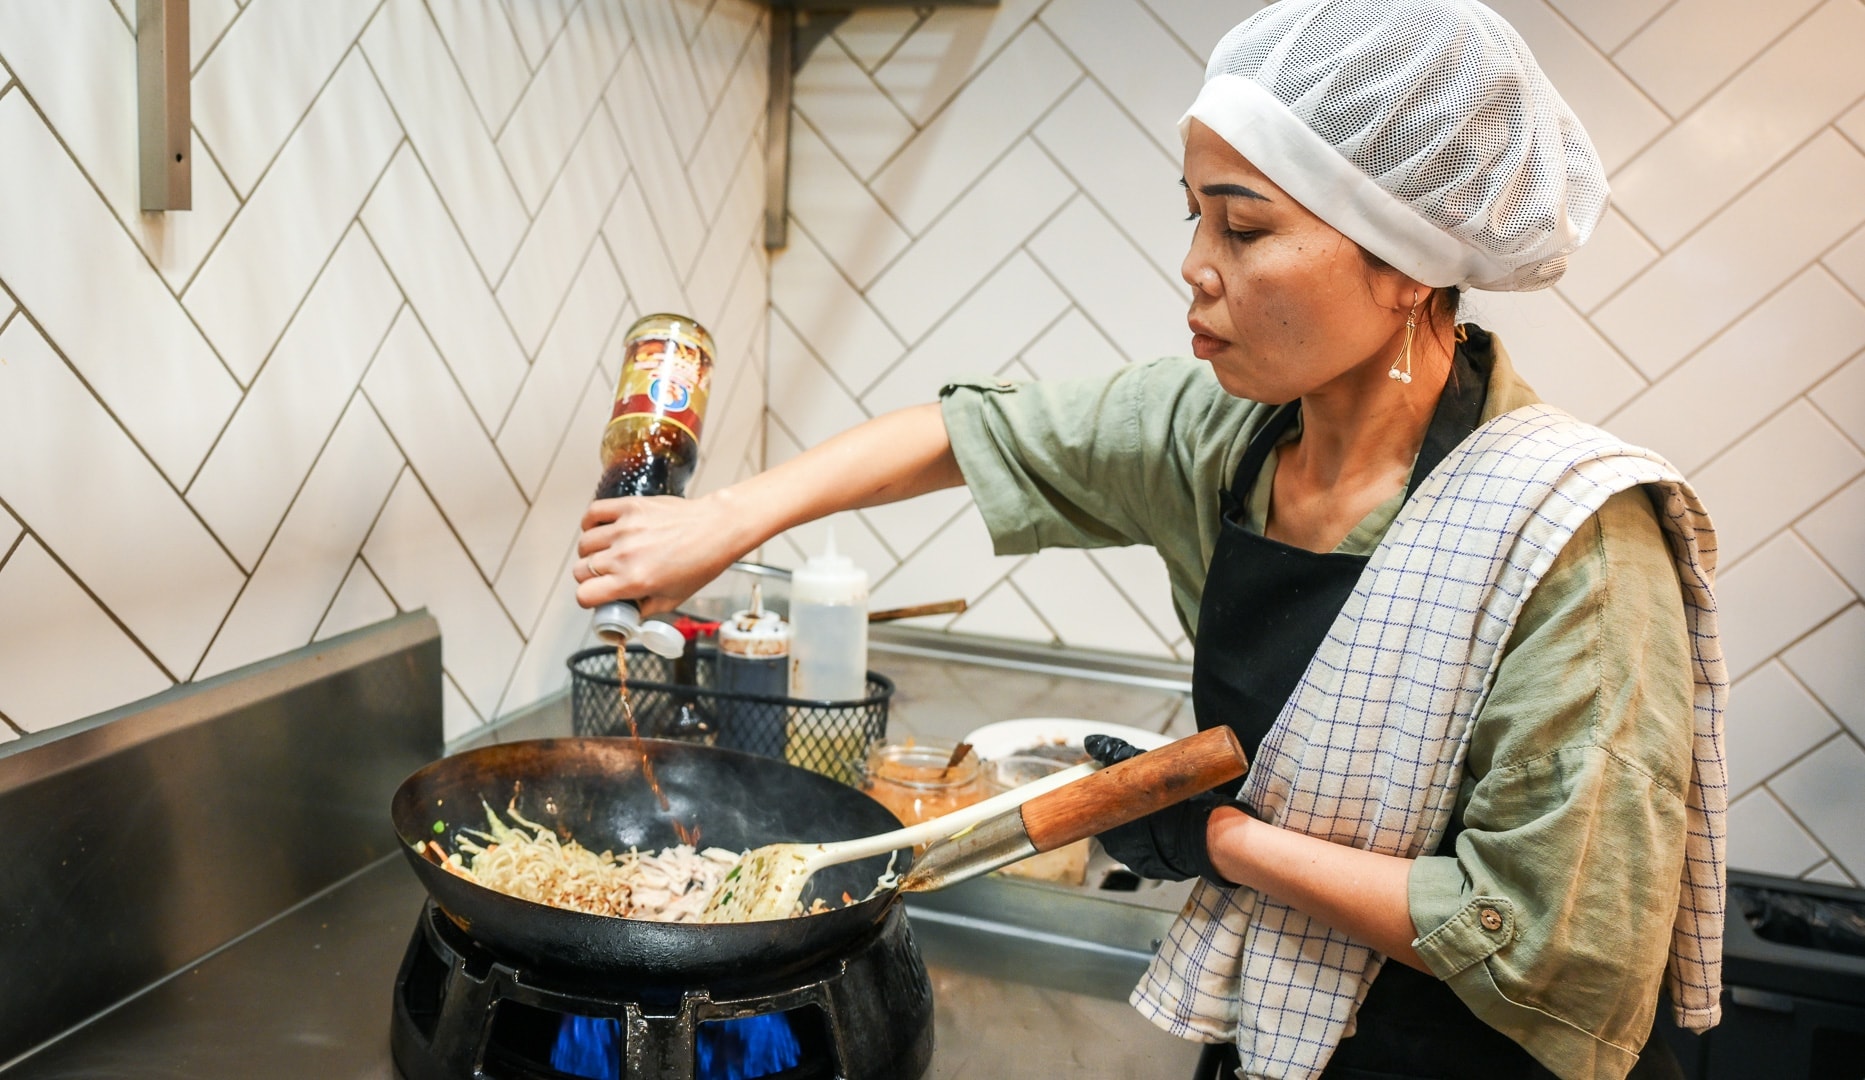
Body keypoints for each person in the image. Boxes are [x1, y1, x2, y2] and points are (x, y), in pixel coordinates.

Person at [572, 1, 1728, 1077]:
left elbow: (1545, 948)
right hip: (1271, 1039)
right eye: (1194, 213)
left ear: (1404, 265)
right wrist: (722, 520)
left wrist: (1222, 840)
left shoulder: (1570, 533)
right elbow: (971, 433)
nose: (1194, 265)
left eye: (1244, 224)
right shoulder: (1223, 432)